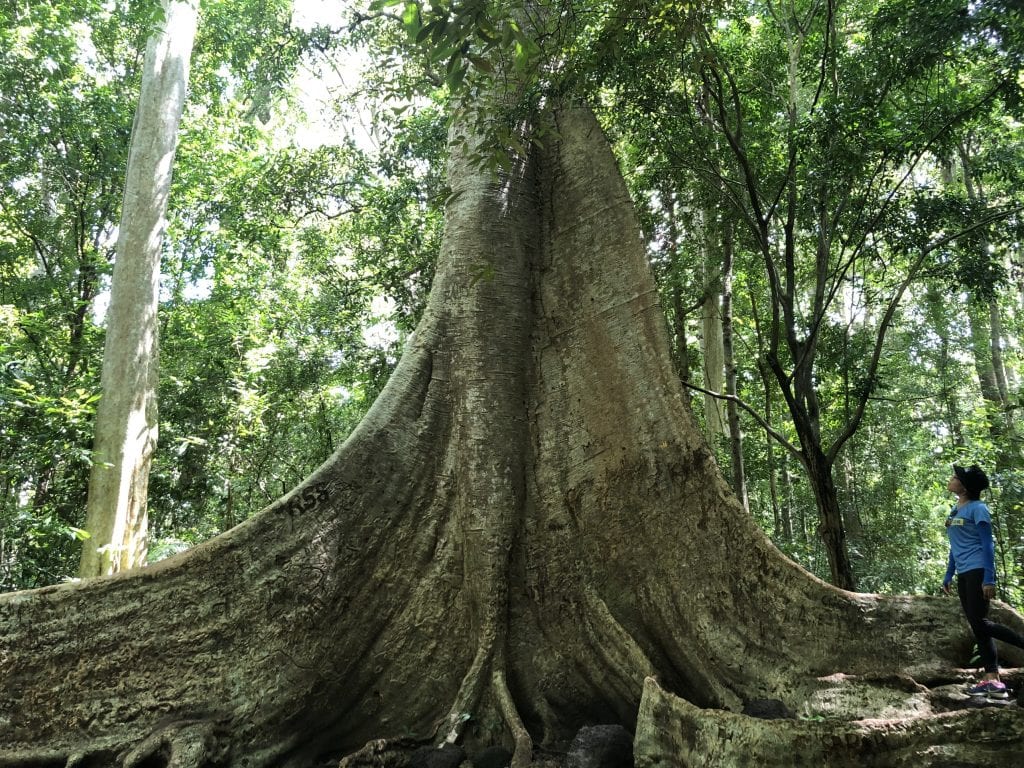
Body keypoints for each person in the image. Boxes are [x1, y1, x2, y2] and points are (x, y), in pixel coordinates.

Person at [942, 463, 1024, 699]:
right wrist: (949, 574)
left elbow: (988, 543)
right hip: (964, 573)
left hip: (979, 570)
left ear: (965, 487)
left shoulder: (978, 509)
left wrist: (989, 578)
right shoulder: (955, 510)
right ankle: (993, 681)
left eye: (955, 477)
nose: (951, 479)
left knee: (981, 623)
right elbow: (954, 547)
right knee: (979, 628)